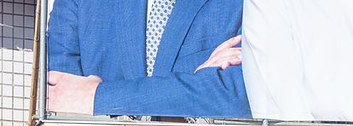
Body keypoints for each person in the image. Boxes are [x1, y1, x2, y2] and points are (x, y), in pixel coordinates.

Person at [45, 0, 251, 118]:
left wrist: (98, 97)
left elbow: (237, 94)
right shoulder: (80, 4)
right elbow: (60, 99)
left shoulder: (246, 4)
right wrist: (194, 83)